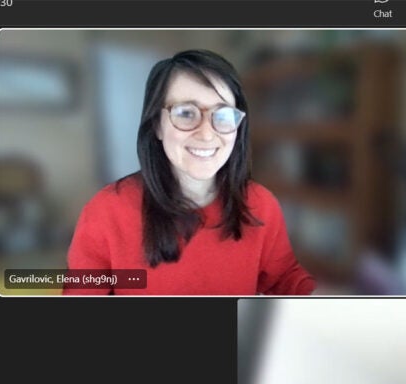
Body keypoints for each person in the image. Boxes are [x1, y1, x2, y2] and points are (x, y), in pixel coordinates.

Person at [64, 49, 315, 295]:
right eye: (186, 113)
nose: (207, 133)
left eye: (223, 114)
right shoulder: (106, 212)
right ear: (157, 126)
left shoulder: (261, 205)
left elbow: (285, 280)